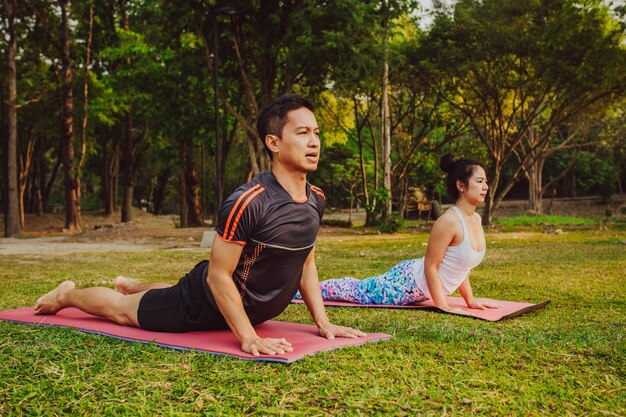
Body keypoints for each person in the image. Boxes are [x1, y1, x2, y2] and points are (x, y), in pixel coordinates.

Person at [34, 94, 365, 356]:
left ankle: (134, 284)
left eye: (316, 133)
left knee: (162, 291)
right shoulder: (248, 201)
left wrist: (323, 322)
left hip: (245, 308)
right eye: (303, 133)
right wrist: (248, 338)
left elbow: (305, 261)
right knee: (122, 311)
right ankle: (67, 296)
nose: (314, 142)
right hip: (201, 304)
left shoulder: (315, 198)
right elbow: (218, 275)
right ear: (273, 143)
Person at [296, 154, 501, 315]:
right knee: (357, 291)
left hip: (419, 285)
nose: (486, 187)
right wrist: (442, 305)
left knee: (360, 288)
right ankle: (298, 290)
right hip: (406, 283)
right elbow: (431, 265)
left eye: (485, 182)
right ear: (461, 185)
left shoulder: (475, 219)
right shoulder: (448, 222)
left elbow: (460, 266)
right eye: (480, 181)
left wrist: (470, 301)